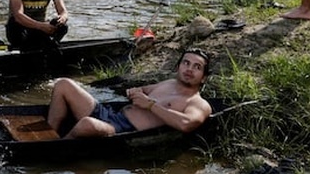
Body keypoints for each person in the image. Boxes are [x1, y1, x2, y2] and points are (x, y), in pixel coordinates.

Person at [47, 49, 213, 137]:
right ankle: (48, 135)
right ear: (178, 67)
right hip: (111, 113)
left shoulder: (198, 103)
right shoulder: (168, 83)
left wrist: (150, 105)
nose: (190, 69)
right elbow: (142, 90)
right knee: (64, 84)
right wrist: (134, 92)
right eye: (186, 63)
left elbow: (186, 124)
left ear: (204, 78)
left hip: (121, 129)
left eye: (197, 67)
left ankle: (57, 149)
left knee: (87, 124)